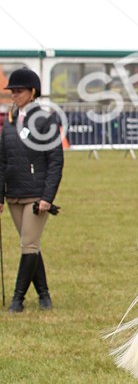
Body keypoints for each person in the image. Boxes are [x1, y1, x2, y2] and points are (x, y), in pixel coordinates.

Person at [0, 68, 64, 312]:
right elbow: (2, 160)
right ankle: (44, 295)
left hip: (36, 196)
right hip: (13, 193)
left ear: (32, 92)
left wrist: (48, 197)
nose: (14, 95)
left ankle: (18, 300)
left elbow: (55, 160)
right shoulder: (9, 120)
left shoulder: (44, 120)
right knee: (32, 245)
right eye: (12, 91)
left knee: (27, 245)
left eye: (19, 91)